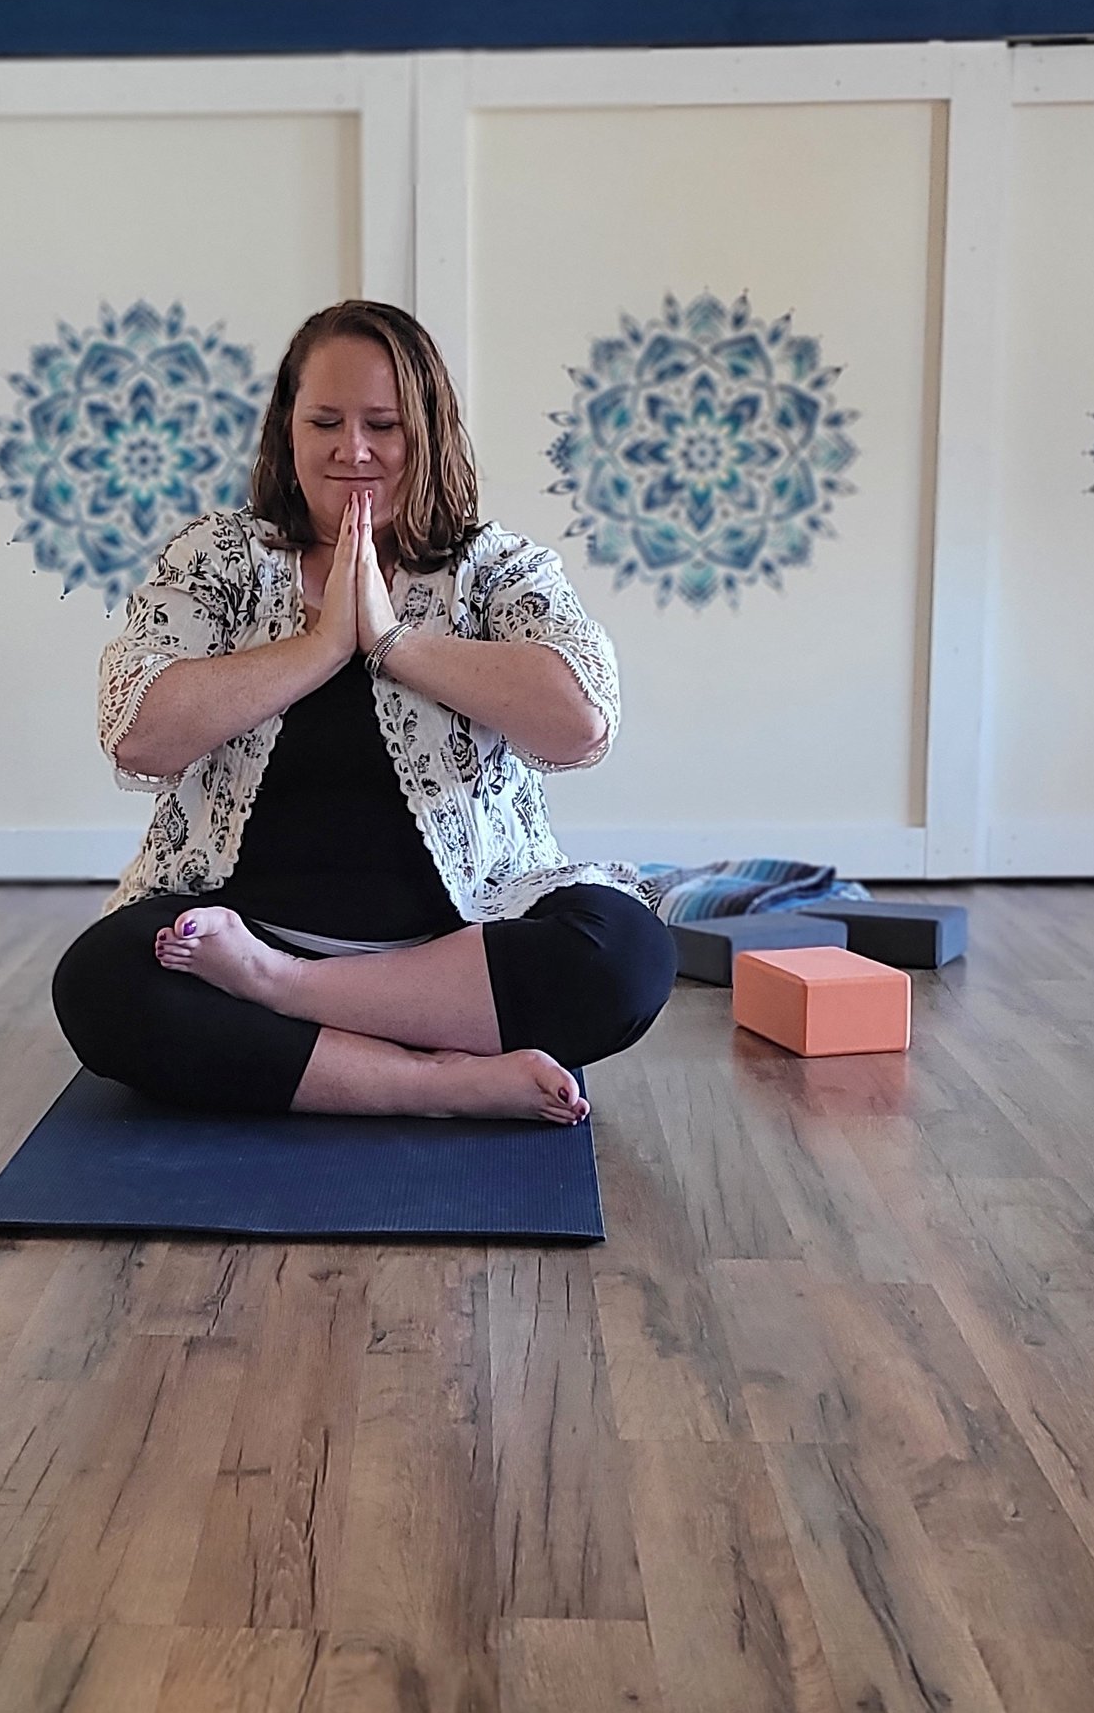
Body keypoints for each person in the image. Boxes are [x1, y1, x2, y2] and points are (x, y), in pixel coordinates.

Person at [52, 301, 676, 1124]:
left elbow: (582, 717)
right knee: (101, 983)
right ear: (288, 431)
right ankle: (440, 1083)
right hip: (239, 927)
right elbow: (137, 728)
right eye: (325, 421)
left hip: (449, 947)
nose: (353, 450)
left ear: (428, 432)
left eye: (383, 424)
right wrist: (317, 649)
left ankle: (288, 997)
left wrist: (389, 640)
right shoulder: (216, 557)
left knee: (626, 957)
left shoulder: (493, 568)